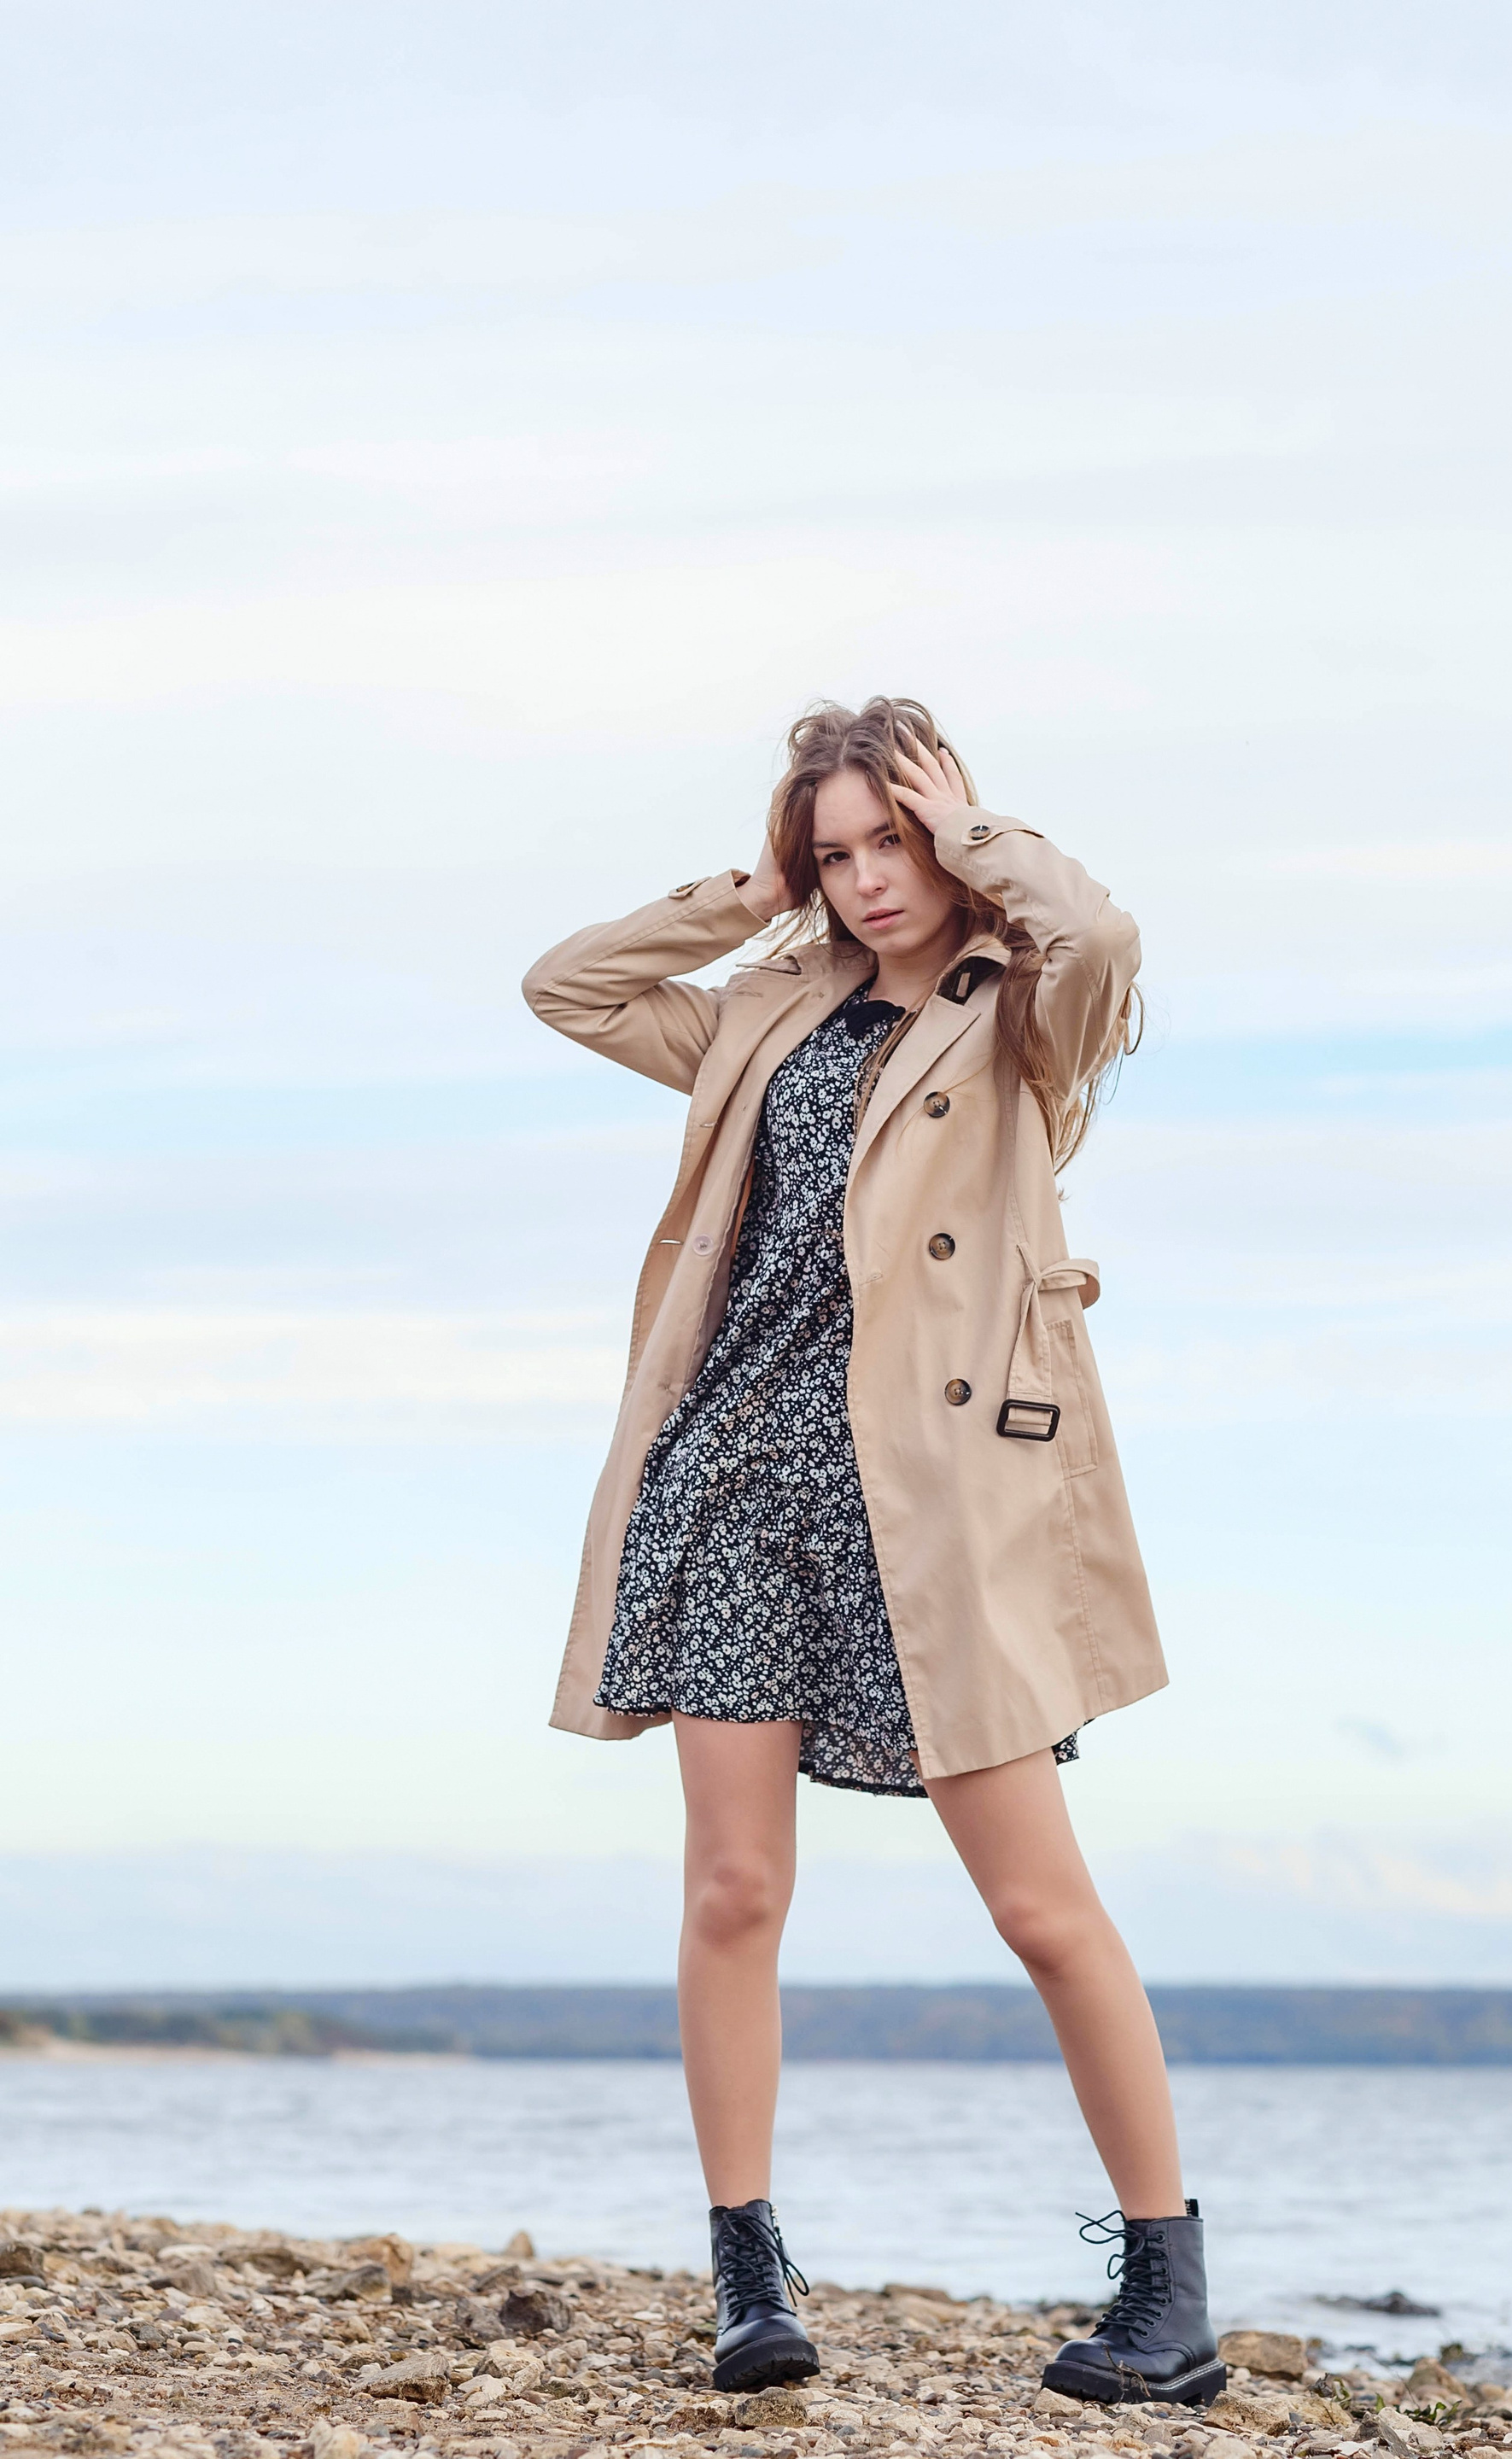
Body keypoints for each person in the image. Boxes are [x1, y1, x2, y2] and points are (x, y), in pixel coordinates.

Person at [522, 698, 1223, 2410]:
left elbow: (1103, 936)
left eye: (890, 842)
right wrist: (752, 893)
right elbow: (569, 987)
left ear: (950, 832)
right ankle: (748, 2273)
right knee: (734, 1890)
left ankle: (1169, 2290)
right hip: (738, 1483)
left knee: (1040, 1905)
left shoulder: (1026, 1015)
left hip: (937, 1504)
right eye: (836, 854)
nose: (869, 880)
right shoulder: (769, 1010)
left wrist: (976, 838)